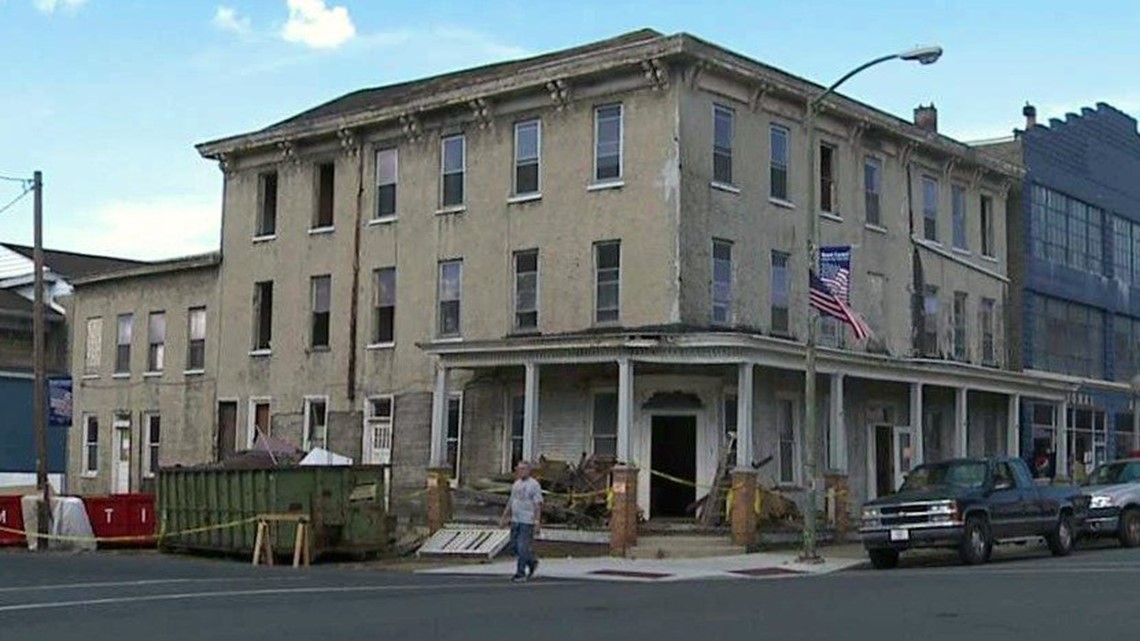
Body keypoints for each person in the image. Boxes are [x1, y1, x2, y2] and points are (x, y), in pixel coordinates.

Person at [500, 460, 543, 582]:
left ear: (529, 471)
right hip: (516, 519)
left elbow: (537, 504)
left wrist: (537, 521)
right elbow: (511, 501)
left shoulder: (534, 485)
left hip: (527, 520)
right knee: (513, 546)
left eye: (524, 469)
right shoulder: (516, 484)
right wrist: (504, 517)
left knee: (522, 546)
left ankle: (520, 573)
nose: (521, 471)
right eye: (519, 469)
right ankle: (532, 561)